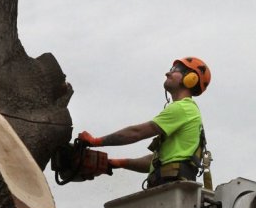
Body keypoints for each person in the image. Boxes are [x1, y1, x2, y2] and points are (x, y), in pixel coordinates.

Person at [78, 57, 211, 188]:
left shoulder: (184, 108)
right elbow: (154, 161)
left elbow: (137, 133)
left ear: (191, 79)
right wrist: (119, 163)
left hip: (172, 186)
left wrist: (95, 141)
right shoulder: (186, 111)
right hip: (169, 187)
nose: (168, 73)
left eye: (176, 69)